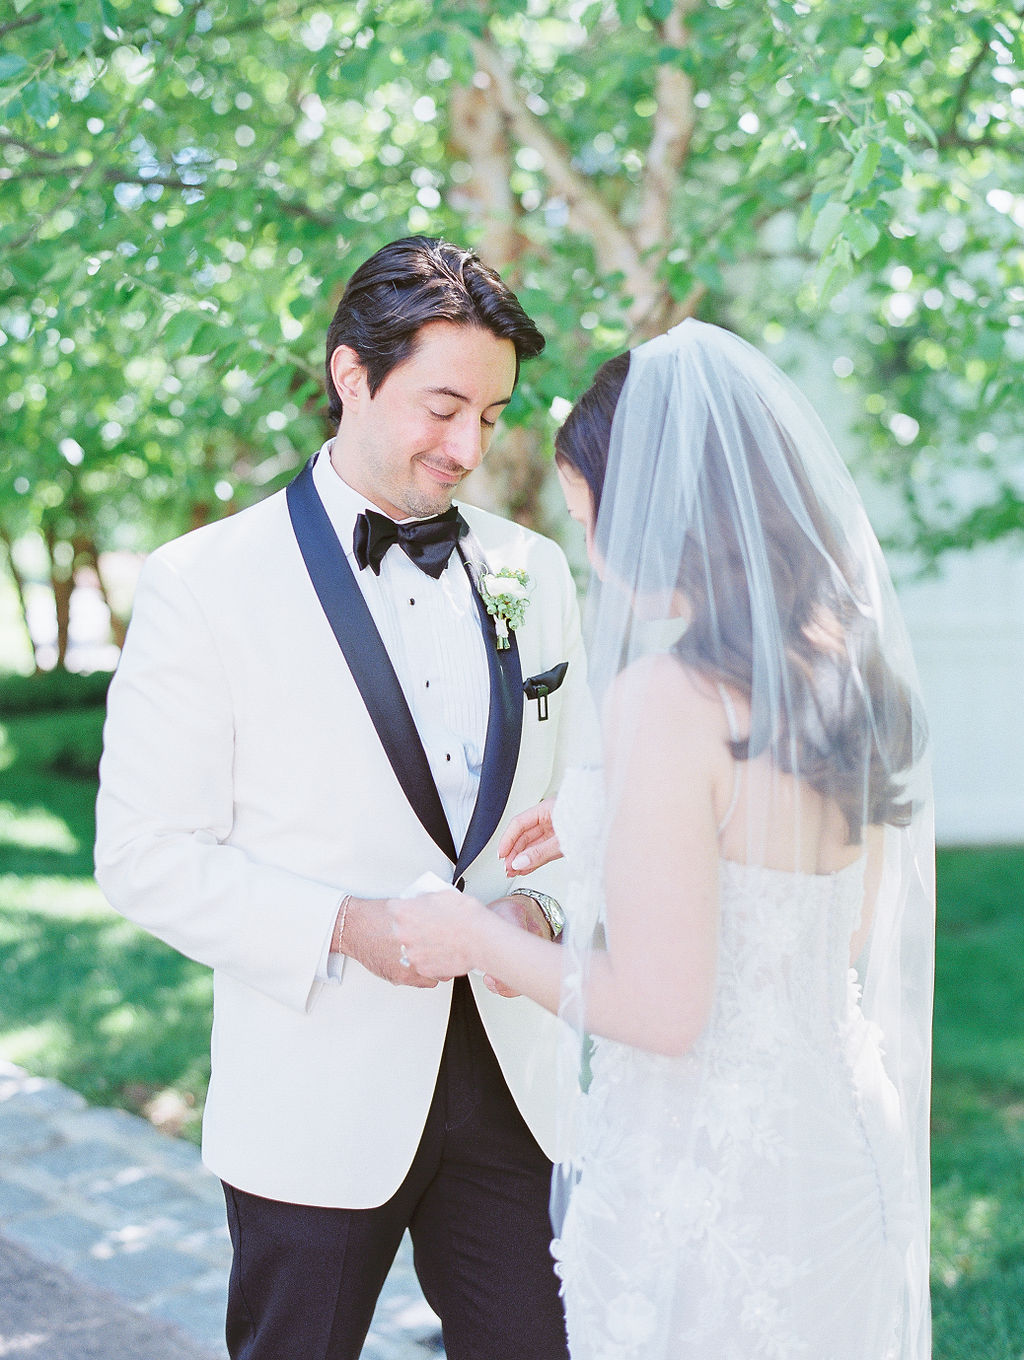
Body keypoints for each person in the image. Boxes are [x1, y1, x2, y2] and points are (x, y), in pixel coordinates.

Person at [391, 319, 935, 1358]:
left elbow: (661, 1009)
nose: (588, 544)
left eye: (592, 514)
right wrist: (610, 837)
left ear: (655, 520)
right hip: (835, 1142)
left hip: (712, 1178)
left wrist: (473, 937)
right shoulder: (837, 673)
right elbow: (831, 931)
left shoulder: (667, 697)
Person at [94, 236, 589, 1360]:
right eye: (442, 407)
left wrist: (545, 916)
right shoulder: (202, 585)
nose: (468, 447)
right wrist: (344, 929)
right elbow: (142, 853)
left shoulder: (533, 572)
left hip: (515, 1079)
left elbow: (584, 802)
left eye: (493, 416)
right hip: (317, 1088)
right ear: (351, 375)